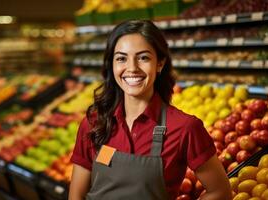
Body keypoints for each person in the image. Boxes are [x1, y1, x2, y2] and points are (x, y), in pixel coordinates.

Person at [69, 20, 231, 200]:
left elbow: (220, 191)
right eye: (121, 58)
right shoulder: (94, 123)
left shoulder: (185, 128)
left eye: (143, 57)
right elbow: (76, 196)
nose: (132, 68)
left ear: (160, 63)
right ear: (112, 64)